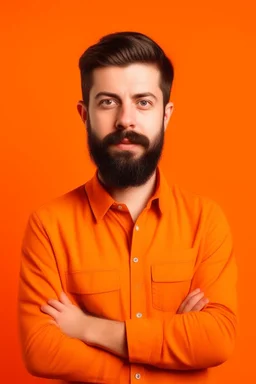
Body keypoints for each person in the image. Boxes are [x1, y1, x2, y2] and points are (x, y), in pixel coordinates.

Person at [18, 31, 238, 383]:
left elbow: (217, 341)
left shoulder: (205, 221)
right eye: (107, 102)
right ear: (83, 114)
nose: (125, 120)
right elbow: (41, 350)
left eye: (143, 102)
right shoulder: (48, 225)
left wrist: (87, 328)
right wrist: (168, 354)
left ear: (166, 115)